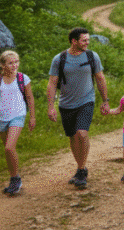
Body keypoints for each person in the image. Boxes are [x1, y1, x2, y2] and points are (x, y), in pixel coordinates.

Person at [47, 27, 110, 190]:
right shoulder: (59, 59)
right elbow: (52, 83)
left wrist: (105, 100)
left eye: (88, 40)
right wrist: (50, 106)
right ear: (74, 41)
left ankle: (81, 170)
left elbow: (100, 78)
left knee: (82, 133)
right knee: (73, 137)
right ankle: (80, 167)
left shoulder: (91, 56)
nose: (87, 43)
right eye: (84, 40)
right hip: (66, 104)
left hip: (86, 101)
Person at [0, 50, 36, 195]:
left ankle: (15, 180)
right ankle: (15, 178)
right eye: (11, 63)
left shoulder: (23, 78)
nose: (14, 65)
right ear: (3, 65)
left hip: (18, 115)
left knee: (9, 148)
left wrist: (32, 117)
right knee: (8, 150)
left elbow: (30, 98)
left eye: (16, 62)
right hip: (1, 118)